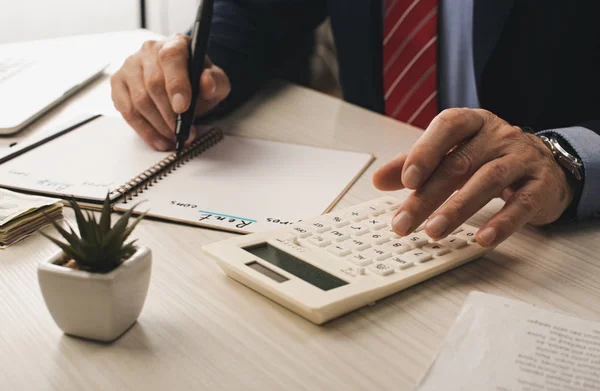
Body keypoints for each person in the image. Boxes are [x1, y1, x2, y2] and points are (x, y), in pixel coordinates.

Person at [110, 1, 600, 248]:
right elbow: (256, 13)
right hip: (373, 205)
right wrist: (195, 66)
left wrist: (568, 157)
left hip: (547, 240)